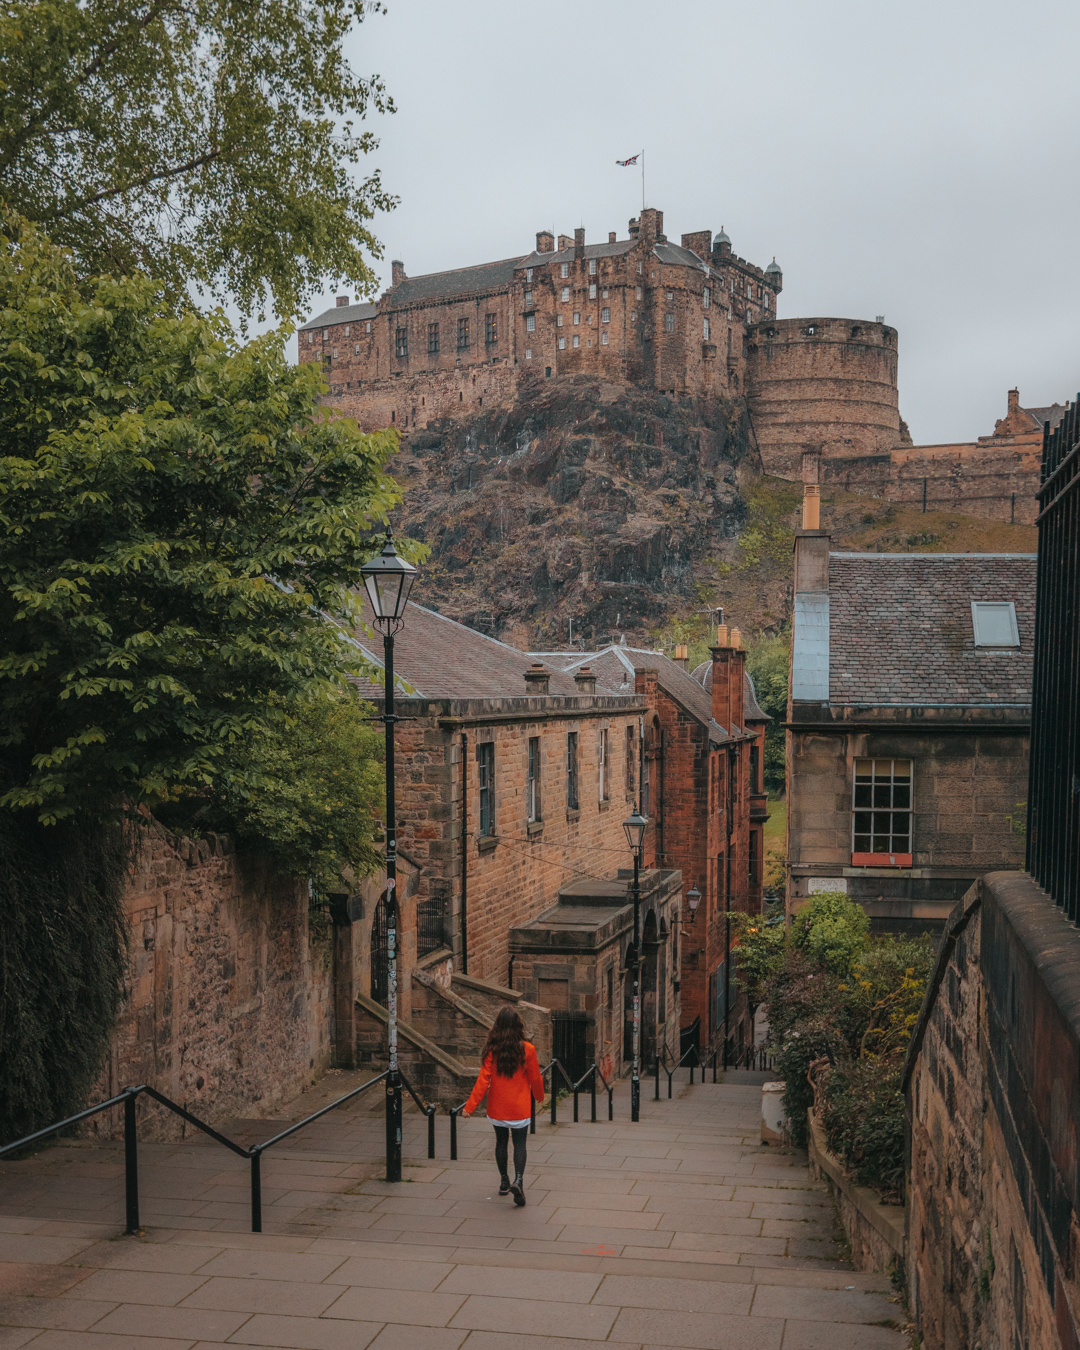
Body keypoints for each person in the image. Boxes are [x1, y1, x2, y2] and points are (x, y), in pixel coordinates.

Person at [462, 1005, 545, 1206]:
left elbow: (483, 1080)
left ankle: (504, 1182)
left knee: (500, 1142)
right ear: (518, 1025)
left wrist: (469, 1107)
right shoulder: (528, 1049)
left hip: (498, 1106)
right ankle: (518, 1179)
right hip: (520, 1107)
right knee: (519, 1144)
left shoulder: (492, 1050)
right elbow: (535, 1077)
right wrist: (540, 1096)